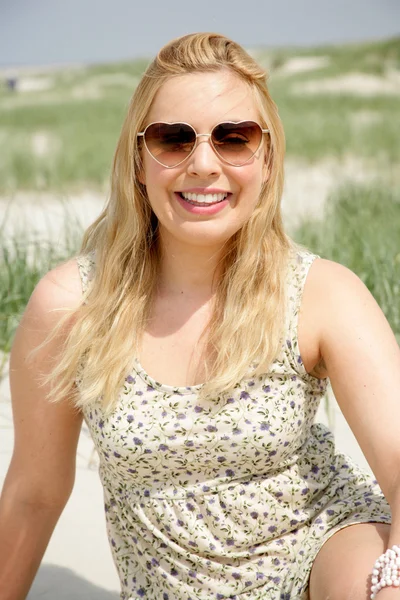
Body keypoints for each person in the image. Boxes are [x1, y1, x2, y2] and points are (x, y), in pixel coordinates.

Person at [0, 32, 399, 600]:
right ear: (139, 161)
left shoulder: (319, 293)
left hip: (322, 554)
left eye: (235, 139)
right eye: (173, 139)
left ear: (265, 159)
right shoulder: (73, 306)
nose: (204, 164)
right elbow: (33, 495)